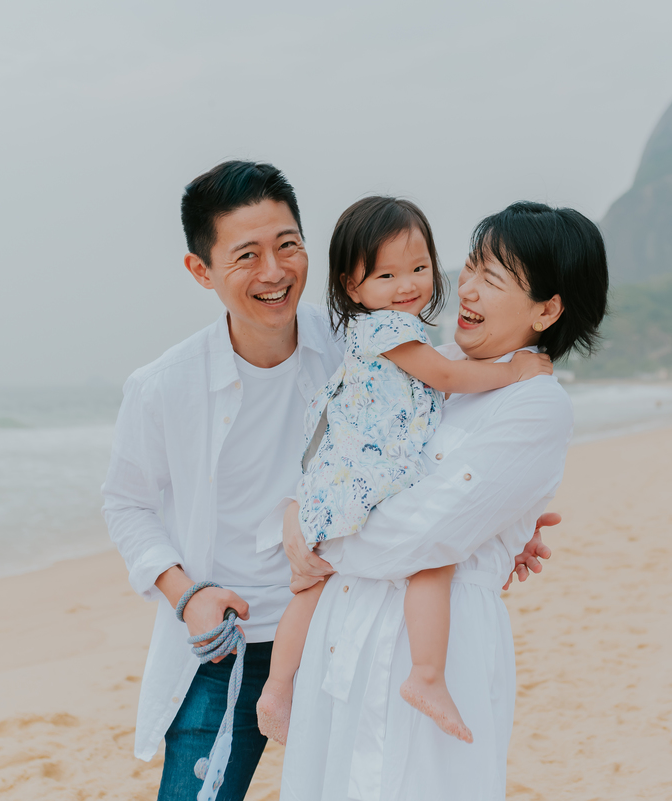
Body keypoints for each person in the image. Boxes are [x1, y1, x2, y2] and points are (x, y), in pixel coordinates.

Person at [101, 161, 558, 801]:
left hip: (337, 622)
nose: (274, 271)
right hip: (223, 645)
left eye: (288, 245)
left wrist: (499, 526)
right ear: (201, 271)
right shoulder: (163, 386)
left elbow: (433, 439)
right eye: (247, 255)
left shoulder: (350, 341)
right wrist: (185, 593)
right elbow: (126, 504)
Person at [275, 201, 609, 801]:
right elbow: (341, 449)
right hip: (346, 628)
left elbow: (421, 535)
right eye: (472, 268)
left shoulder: (533, 404)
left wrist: (318, 535)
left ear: (547, 309)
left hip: (432, 651)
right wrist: (294, 510)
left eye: (494, 278)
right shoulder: (428, 365)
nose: (468, 290)